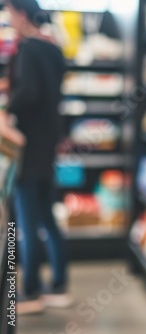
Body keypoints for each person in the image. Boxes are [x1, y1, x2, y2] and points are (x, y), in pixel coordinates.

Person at [4, 0, 70, 314]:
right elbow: (48, 92)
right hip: (48, 146)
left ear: (21, 12)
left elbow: (28, 90)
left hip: (27, 148)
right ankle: (58, 286)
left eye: (10, 13)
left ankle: (28, 293)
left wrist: (6, 108)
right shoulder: (53, 48)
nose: (9, 19)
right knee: (47, 218)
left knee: (23, 224)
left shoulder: (28, 48)